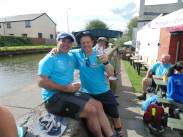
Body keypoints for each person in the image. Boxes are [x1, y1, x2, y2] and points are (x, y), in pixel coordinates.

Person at [38, 33, 115, 137]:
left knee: (98, 105)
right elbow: (41, 82)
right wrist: (66, 88)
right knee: (91, 110)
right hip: (53, 98)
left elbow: (86, 58)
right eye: (63, 41)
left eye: (69, 42)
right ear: (57, 43)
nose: (66, 44)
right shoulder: (49, 58)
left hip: (69, 92)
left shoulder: (71, 56)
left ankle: (111, 135)